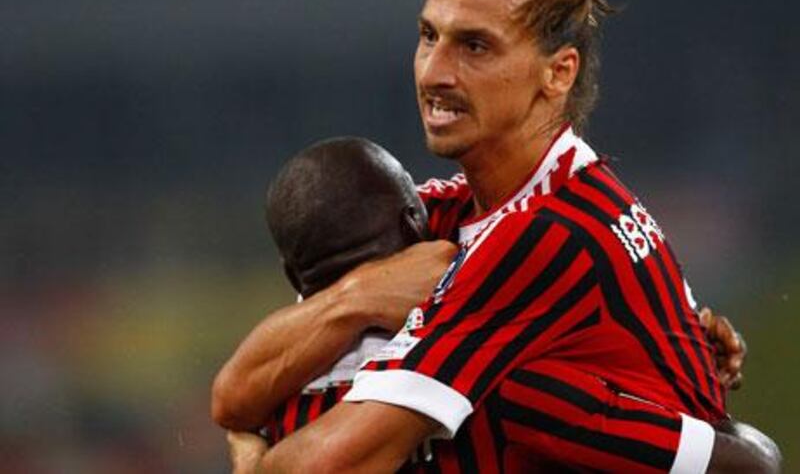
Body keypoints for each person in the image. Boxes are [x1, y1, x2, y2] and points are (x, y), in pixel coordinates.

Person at [214, 0, 781, 471]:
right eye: (429, 36)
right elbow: (234, 393)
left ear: (558, 72)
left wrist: (252, 453)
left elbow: (340, 459)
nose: (434, 72)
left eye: (475, 46)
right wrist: (357, 298)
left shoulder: (548, 235)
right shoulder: (450, 211)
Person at [217, 137, 779, 473]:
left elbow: (230, 401)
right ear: (416, 221)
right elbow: (746, 467)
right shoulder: (517, 389)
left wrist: (250, 455)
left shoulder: (281, 398)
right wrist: (658, 353)